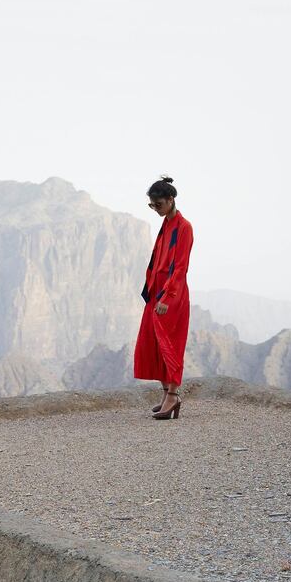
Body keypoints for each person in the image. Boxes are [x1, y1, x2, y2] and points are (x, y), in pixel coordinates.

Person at [133, 176, 194, 419]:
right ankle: (165, 393)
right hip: (156, 293)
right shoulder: (166, 225)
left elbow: (180, 267)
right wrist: (152, 292)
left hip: (171, 296)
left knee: (171, 344)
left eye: (158, 204)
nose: (155, 209)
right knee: (153, 343)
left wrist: (167, 298)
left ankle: (173, 396)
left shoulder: (184, 227)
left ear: (171, 200)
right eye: (152, 205)